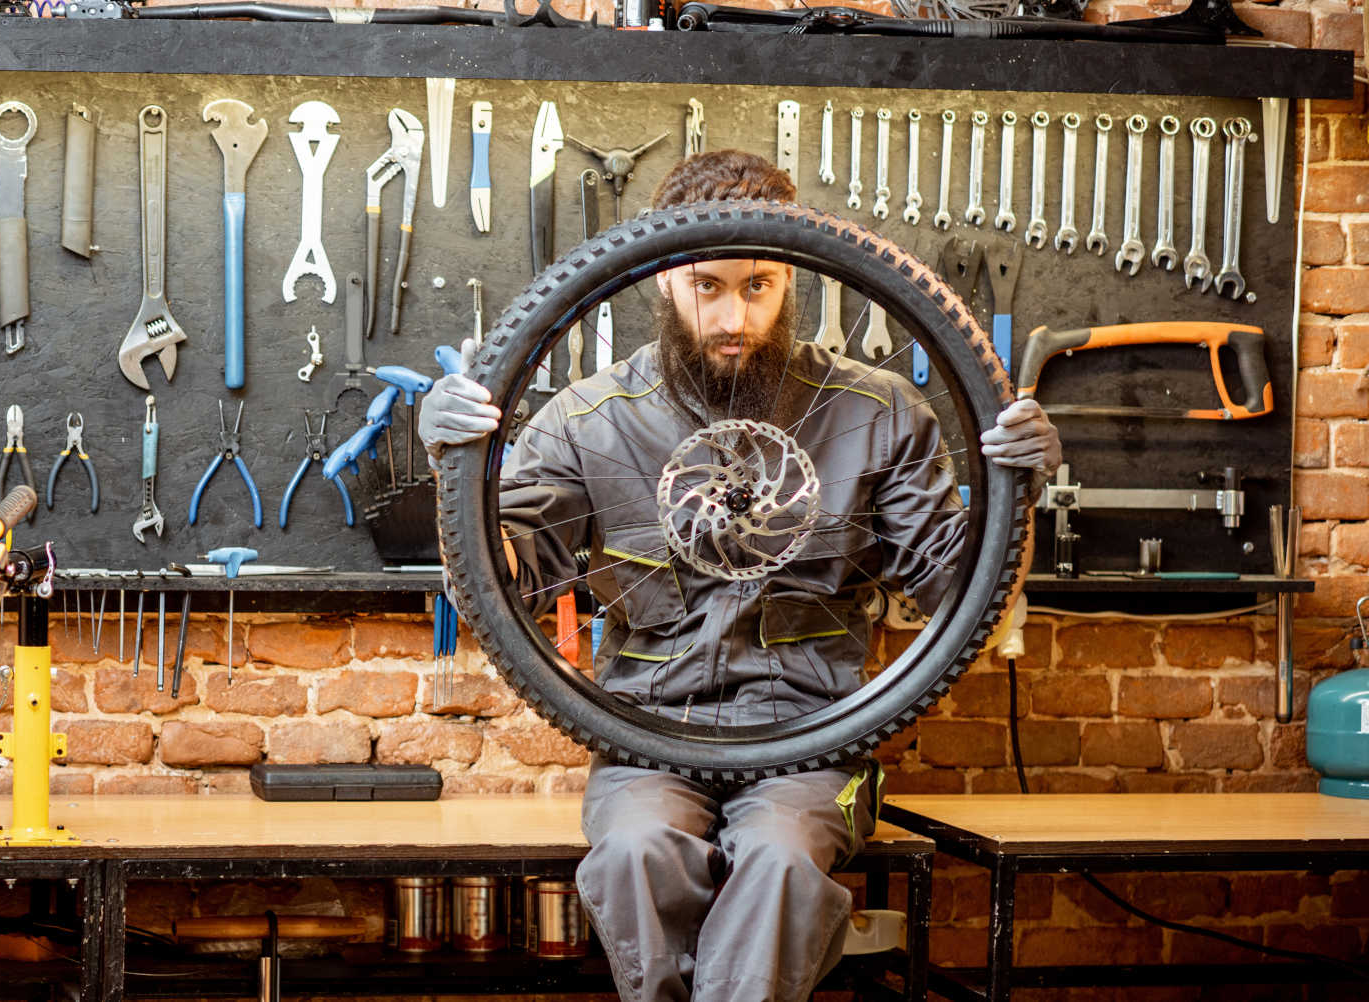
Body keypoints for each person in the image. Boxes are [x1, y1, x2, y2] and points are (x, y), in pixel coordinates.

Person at [416, 150, 1059, 1002]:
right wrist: (456, 477)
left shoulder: (880, 412)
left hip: (822, 738)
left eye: (757, 287)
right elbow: (495, 581)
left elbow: (963, 597)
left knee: (787, 862)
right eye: (707, 286)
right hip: (644, 732)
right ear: (661, 280)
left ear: (794, 278)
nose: (733, 316)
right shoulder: (585, 422)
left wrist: (1020, 499)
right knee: (636, 857)